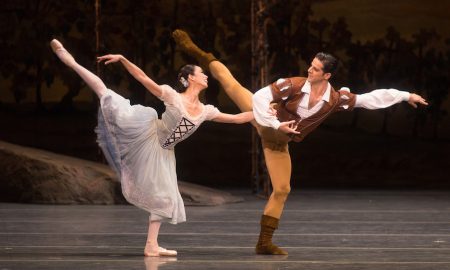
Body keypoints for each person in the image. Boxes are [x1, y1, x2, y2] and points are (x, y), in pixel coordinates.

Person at [171, 29, 429, 255]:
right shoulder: (292, 85)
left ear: (326, 76)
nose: (309, 69)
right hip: (263, 120)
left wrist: (406, 95)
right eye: (311, 65)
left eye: (316, 69)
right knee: (228, 82)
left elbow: (371, 99)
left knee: (283, 189)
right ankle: (195, 50)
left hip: (277, 144)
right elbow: (261, 98)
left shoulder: (336, 99)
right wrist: (273, 123)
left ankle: (264, 243)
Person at [50, 39, 254, 257]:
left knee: (164, 198)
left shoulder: (205, 110)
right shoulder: (173, 96)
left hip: (164, 153)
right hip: (148, 136)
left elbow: (237, 118)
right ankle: (70, 61)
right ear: (190, 78)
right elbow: (143, 78)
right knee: (106, 93)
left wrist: (267, 114)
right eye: (201, 73)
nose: (206, 76)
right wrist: (123, 59)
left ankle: (151, 246)